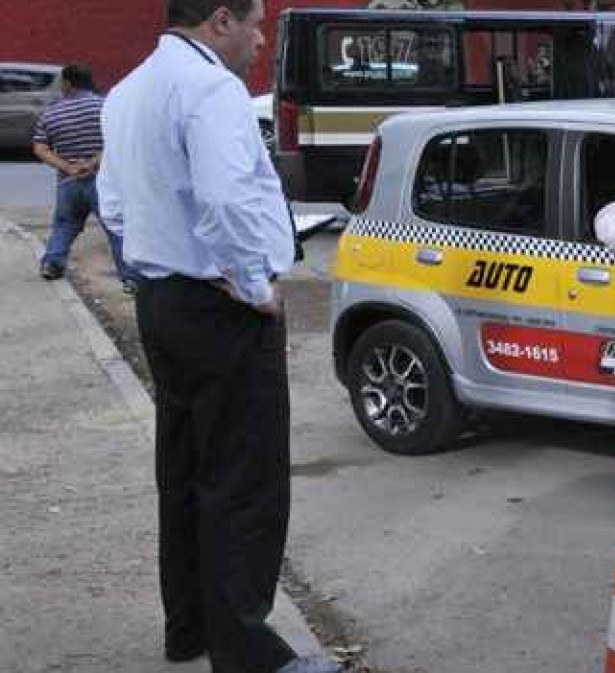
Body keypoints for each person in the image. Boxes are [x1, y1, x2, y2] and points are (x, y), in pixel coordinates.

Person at [96, 2, 338, 672]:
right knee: (243, 480)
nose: (262, 40)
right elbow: (228, 198)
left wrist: (152, 259)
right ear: (220, 19)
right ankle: (250, 653)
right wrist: (255, 282)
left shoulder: (127, 92)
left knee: (184, 474)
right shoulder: (210, 89)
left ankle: (191, 629)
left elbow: (111, 203)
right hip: (221, 308)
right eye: (257, 24)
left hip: (163, 301)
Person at [32, 63, 135, 292]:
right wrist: (93, 163)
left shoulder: (52, 112)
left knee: (64, 225)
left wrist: (68, 168)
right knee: (115, 227)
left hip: (68, 182)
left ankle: (52, 264)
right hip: (103, 180)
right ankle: (130, 277)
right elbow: (120, 139)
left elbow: (40, 147)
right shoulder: (106, 106)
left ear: (67, 83)